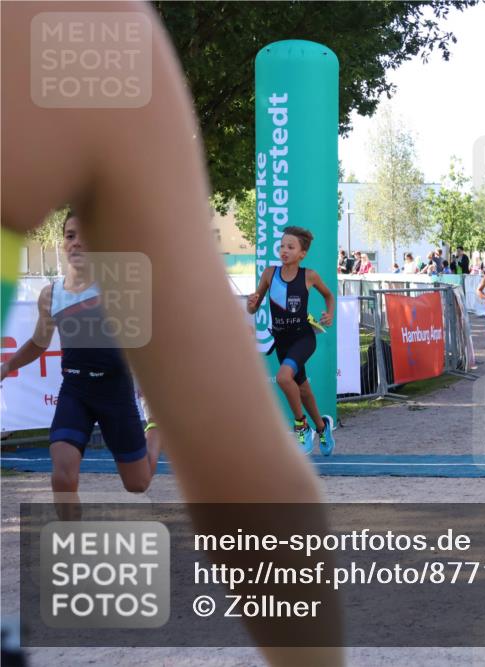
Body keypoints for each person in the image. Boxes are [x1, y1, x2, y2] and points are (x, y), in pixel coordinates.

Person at [1, 2, 343, 660]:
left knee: (139, 479)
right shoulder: (99, 37)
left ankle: (183, 432)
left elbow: (249, 472)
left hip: (147, 379)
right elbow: (251, 476)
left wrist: (313, 312)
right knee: (68, 471)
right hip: (84, 386)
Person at [1, 213, 162, 517]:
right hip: (75, 389)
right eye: (71, 236)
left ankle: (157, 427)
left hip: (115, 390)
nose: (77, 243)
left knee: (137, 484)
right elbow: (38, 342)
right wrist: (7, 366)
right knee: (62, 476)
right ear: (63, 243)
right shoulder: (51, 294)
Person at [247, 226, 336, 453]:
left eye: (290, 247)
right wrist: (252, 304)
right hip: (282, 342)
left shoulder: (309, 275)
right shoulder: (269, 273)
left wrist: (329, 313)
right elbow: (253, 307)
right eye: (282, 246)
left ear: (302, 254)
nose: (284, 250)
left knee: (283, 378)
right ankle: (322, 426)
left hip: (304, 338)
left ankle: (301, 426)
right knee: (303, 389)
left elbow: (328, 295)